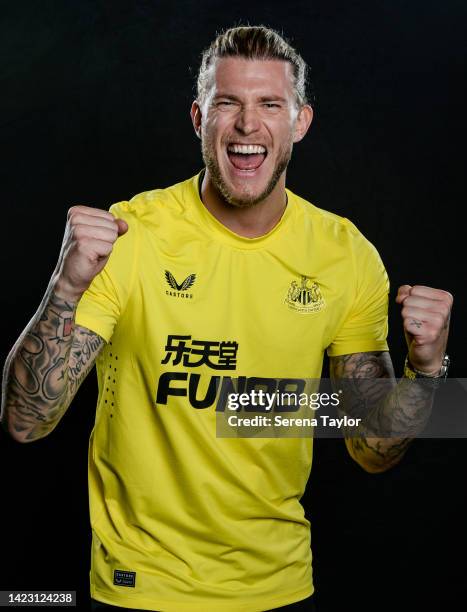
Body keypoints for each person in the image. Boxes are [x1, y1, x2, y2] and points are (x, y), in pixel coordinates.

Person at [0, 25, 453, 612]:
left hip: (279, 586)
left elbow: (370, 450)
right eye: (227, 103)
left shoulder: (347, 255)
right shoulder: (130, 235)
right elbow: (23, 423)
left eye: (270, 104)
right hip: (139, 588)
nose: (247, 124)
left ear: (300, 121)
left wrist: (428, 368)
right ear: (198, 117)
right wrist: (65, 286)